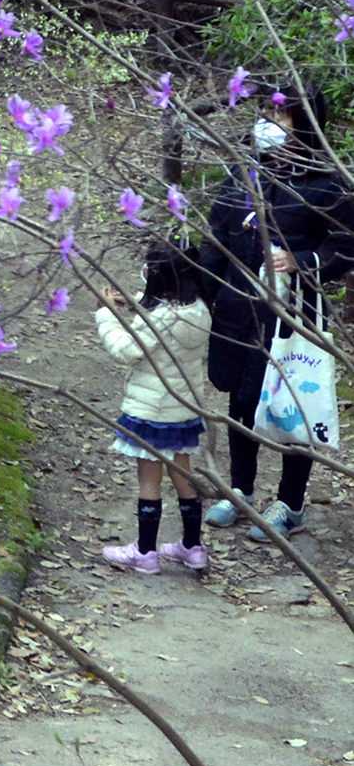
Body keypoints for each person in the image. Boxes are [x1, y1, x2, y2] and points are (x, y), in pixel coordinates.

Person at [200, 82, 354, 541]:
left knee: (292, 405)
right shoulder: (246, 171)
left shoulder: (327, 183)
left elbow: (345, 246)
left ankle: (290, 503)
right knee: (242, 399)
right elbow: (218, 234)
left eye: (281, 115)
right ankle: (241, 490)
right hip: (239, 304)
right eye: (268, 111)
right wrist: (207, 292)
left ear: (304, 125)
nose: (270, 122)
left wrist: (304, 262)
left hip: (294, 310)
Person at [95, 239, 214, 575]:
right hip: (184, 408)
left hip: (152, 411)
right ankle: (193, 546)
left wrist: (107, 314)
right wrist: (132, 302)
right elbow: (159, 310)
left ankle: (145, 552)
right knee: (183, 473)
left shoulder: (162, 318)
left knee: (149, 478)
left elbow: (126, 349)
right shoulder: (199, 309)